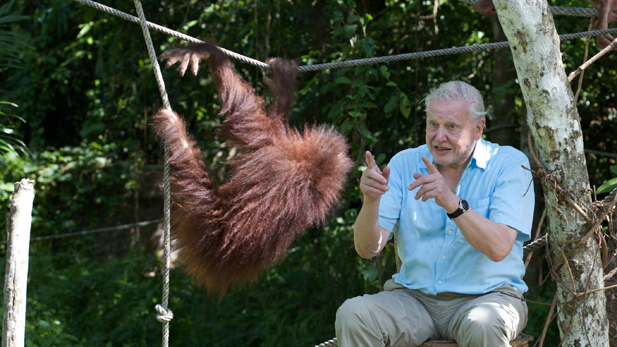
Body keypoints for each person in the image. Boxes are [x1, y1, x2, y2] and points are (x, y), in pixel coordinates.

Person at [335, 81, 535, 347]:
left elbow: (498, 248)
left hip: (489, 296)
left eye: (451, 127)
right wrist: (370, 201)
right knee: (353, 314)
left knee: (483, 324)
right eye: (433, 125)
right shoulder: (404, 163)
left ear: (478, 128)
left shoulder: (509, 164)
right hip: (414, 300)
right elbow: (366, 248)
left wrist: (451, 202)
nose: (439, 137)